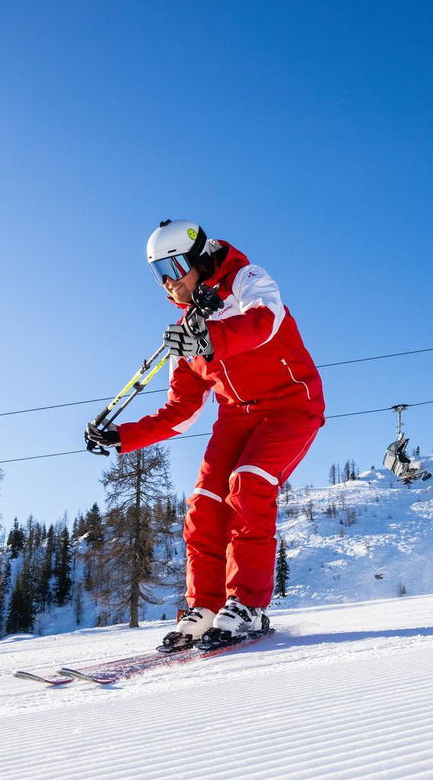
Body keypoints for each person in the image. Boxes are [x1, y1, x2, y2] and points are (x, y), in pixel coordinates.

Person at [85, 220, 325, 650]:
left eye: (174, 267)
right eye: (158, 274)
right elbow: (181, 413)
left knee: (248, 485)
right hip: (234, 419)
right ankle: (206, 608)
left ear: (198, 258)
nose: (168, 283)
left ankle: (248, 606)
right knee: (204, 504)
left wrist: (208, 339)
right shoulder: (187, 335)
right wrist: (122, 437)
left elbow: (265, 321)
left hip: (290, 407)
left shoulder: (246, 280)